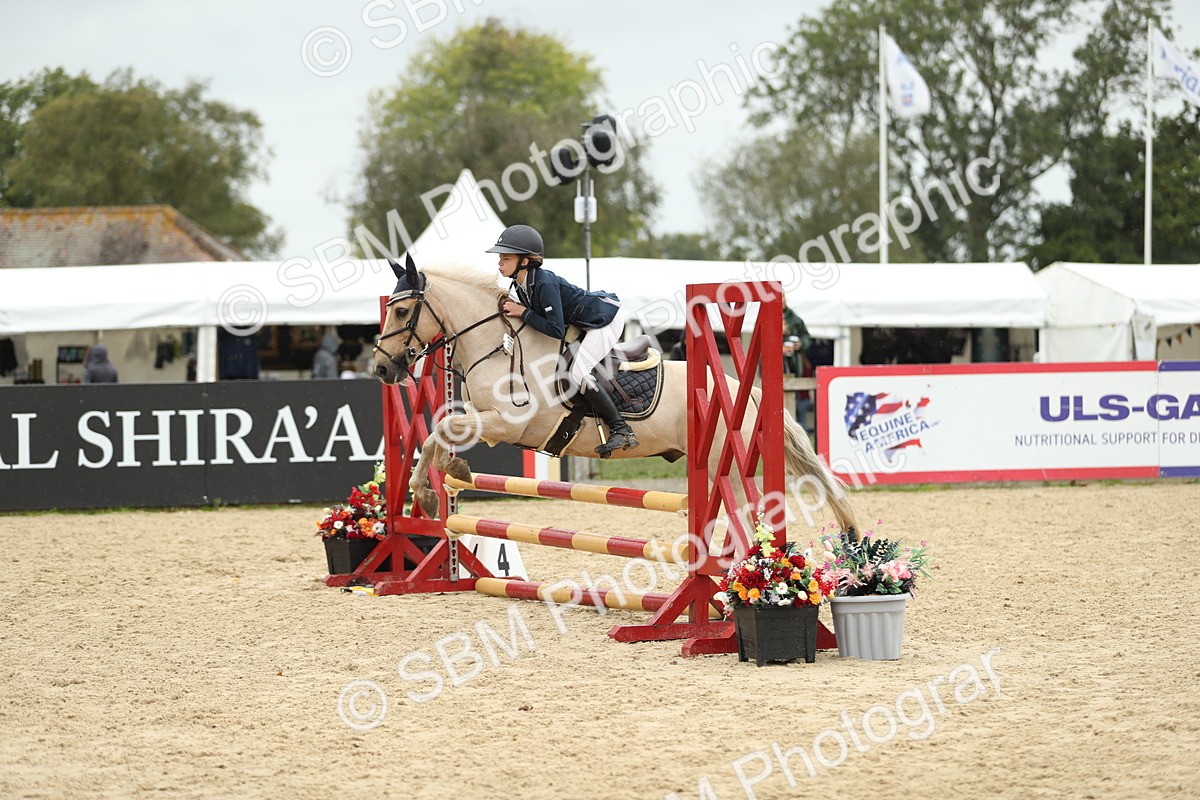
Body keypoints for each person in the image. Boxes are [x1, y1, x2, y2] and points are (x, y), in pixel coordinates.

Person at [488, 224, 638, 458]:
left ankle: (622, 429)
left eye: (505, 258)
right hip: (582, 324)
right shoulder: (519, 284)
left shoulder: (544, 282)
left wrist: (523, 312)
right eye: (500, 258)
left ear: (525, 261)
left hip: (604, 320)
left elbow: (556, 329)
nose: (499, 263)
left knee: (579, 373)